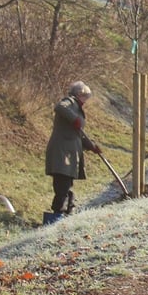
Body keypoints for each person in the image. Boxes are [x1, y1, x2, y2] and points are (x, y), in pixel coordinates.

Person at [44, 82, 102, 225]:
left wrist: (92, 146)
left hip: (70, 154)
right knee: (62, 184)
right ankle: (57, 215)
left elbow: (79, 135)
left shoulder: (76, 108)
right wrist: (74, 119)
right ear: (79, 94)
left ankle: (67, 213)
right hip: (62, 152)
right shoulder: (69, 101)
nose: (85, 101)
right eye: (85, 98)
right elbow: (59, 107)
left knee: (67, 185)